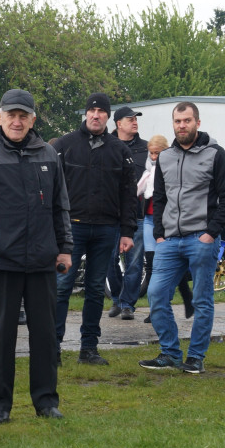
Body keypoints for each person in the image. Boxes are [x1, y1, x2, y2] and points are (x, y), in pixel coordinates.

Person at [0, 89, 72, 422]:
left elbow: (60, 205)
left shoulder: (49, 155)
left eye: (24, 115)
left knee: (44, 334)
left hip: (41, 259)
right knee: (2, 334)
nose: (17, 121)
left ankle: (46, 401)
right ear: (0, 115)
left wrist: (64, 248)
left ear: (33, 119)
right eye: (11, 115)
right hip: (0, 259)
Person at [139, 101, 225, 375]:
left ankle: (195, 357)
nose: (182, 126)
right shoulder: (166, 156)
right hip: (169, 240)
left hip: (200, 239)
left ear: (198, 123)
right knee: (156, 295)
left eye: (187, 121)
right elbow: (159, 197)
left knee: (202, 301)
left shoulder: (215, 154)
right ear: (173, 124)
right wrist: (158, 233)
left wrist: (211, 233)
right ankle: (170, 353)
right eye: (178, 121)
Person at [53, 93, 136, 365]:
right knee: (62, 287)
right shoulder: (65, 145)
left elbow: (128, 194)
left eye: (101, 111)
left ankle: (88, 347)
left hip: (106, 230)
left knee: (96, 289)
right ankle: (52, 347)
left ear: (108, 116)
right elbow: (53, 190)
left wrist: (127, 231)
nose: (96, 115)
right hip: (71, 230)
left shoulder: (120, 151)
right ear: (86, 114)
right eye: (92, 110)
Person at [137, 135, 194, 323]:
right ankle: (156, 308)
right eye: (151, 153)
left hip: (166, 222)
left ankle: (186, 298)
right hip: (148, 220)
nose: (154, 157)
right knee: (152, 264)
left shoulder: (172, 167)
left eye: (157, 153)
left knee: (169, 265)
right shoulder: (148, 171)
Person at [107, 105, 149, 320]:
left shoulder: (146, 148)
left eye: (136, 118)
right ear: (118, 124)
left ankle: (127, 305)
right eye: (129, 119)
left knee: (134, 261)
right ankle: (116, 298)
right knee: (109, 259)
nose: (134, 121)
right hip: (110, 214)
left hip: (137, 214)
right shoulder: (107, 146)